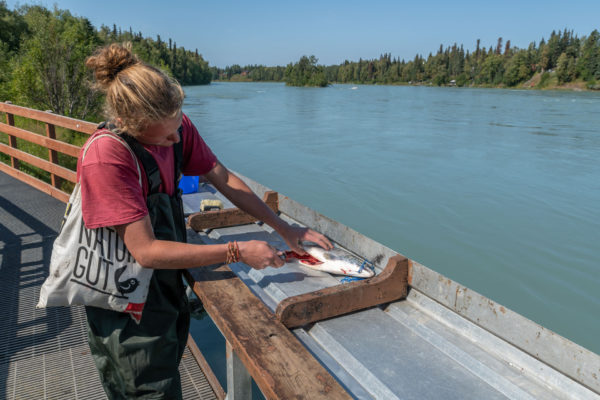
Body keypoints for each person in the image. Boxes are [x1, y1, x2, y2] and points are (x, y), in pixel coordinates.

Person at [81, 42, 332, 399]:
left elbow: (222, 177)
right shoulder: (107, 157)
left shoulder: (176, 124)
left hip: (165, 290)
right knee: (144, 387)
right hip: (126, 307)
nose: (176, 139)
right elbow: (146, 251)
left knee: (167, 376)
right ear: (128, 125)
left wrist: (283, 227)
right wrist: (236, 250)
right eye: (166, 136)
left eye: (178, 127)